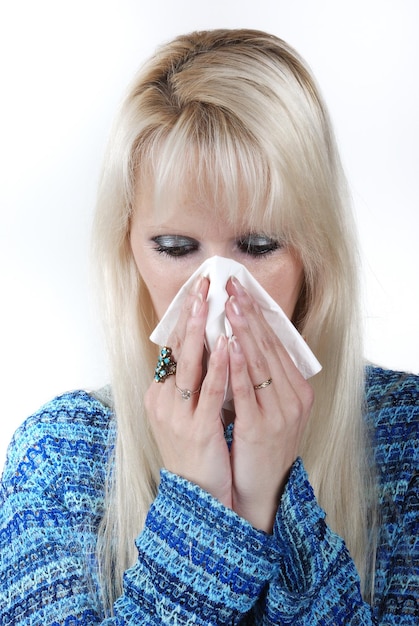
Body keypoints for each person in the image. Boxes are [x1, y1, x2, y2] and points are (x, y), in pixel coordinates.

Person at [0, 28, 418, 625]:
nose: (217, 288)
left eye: (257, 244)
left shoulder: (406, 441)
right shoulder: (58, 459)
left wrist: (274, 497)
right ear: (130, 251)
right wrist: (197, 519)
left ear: (314, 255)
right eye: (175, 246)